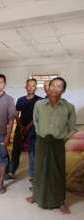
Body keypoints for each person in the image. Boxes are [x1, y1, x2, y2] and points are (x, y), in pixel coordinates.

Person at [26, 77, 77, 214]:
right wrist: (40, 134)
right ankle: (36, 196)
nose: (55, 88)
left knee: (58, 172)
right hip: (42, 141)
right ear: (48, 88)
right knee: (40, 170)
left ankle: (60, 201)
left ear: (63, 90)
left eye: (59, 86)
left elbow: (72, 128)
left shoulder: (69, 107)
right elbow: (36, 122)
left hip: (58, 143)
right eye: (52, 85)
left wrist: (63, 138)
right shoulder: (39, 105)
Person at [6, 79, 42, 182]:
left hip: (33, 129)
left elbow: (38, 116)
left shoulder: (40, 101)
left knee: (32, 152)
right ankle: (11, 172)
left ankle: (32, 175)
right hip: (20, 128)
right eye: (29, 85)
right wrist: (21, 125)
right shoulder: (21, 100)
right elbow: (16, 113)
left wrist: (28, 127)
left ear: (36, 87)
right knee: (15, 150)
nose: (31, 87)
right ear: (26, 87)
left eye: (33, 86)